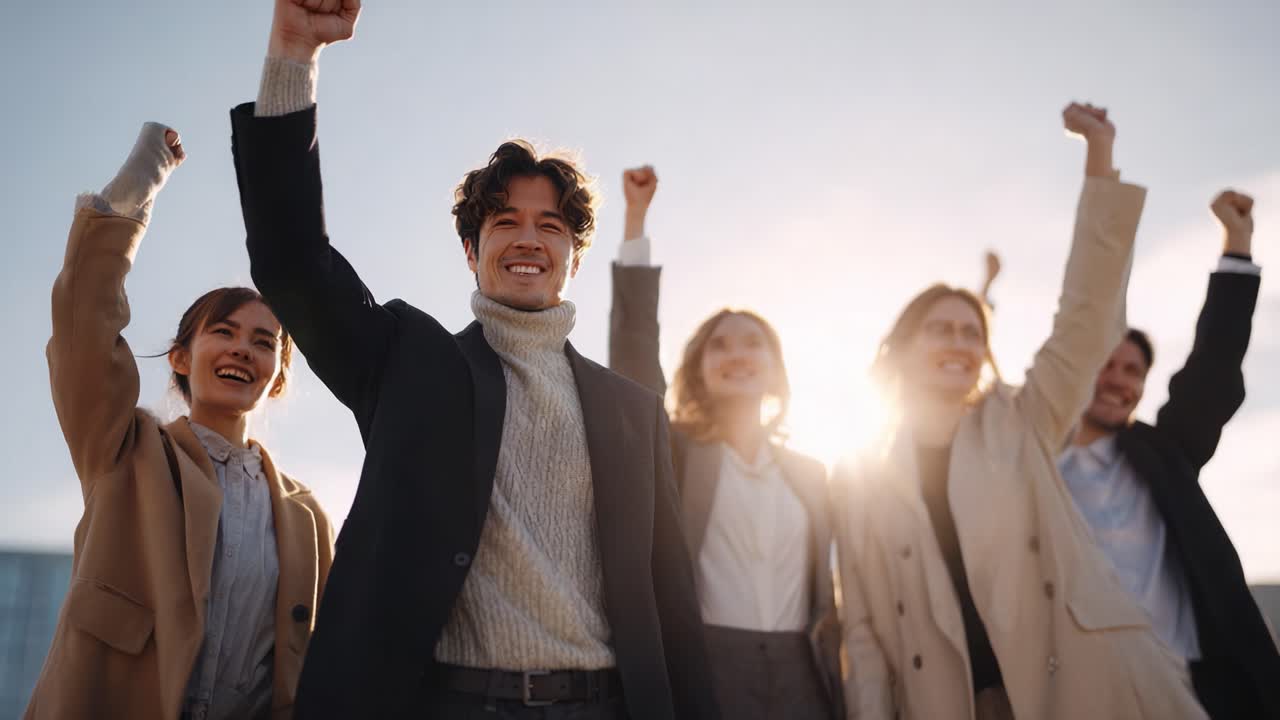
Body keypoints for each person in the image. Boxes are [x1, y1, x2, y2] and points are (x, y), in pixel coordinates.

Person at [228, 1, 718, 718]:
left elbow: (674, 606)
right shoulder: (409, 363)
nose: (528, 238)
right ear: (471, 249)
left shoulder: (631, 411)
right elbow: (292, 259)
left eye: (550, 226)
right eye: (504, 222)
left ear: (572, 257)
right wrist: (294, 57)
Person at [835, 103, 1207, 719]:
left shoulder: (1021, 421)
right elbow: (866, 634)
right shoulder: (858, 478)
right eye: (940, 329)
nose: (960, 342)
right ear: (903, 347)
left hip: (1079, 686)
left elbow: (1086, 319)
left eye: (971, 332)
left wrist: (1099, 161)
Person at [26, 123, 335, 720]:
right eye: (223, 332)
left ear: (277, 374)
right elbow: (82, 329)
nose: (243, 349)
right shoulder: (123, 448)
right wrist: (140, 183)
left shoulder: (307, 516)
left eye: (263, 342)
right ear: (180, 357)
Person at [609, 167, 843, 720]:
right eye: (720, 346)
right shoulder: (678, 453)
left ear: (776, 369)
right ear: (699, 370)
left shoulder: (811, 474)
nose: (737, 354)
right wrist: (636, 222)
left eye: (753, 344)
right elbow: (635, 361)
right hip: (710, 666)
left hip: (804, 672)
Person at [1059, 189, 1280, 719]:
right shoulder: (1035, 462)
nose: (1117, 380)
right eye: (1105, 365)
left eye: (1132, 371)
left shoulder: (1163, 453)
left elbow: (1213, 369)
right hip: (1077, 692)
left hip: (1190, 688)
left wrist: (1237, 243)